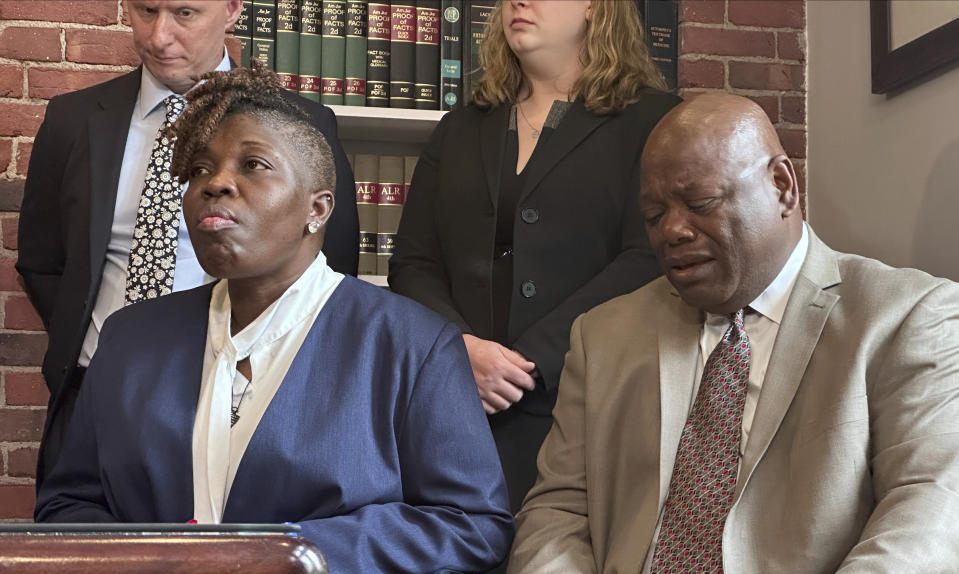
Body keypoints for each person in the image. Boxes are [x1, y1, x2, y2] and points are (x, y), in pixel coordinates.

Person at [35, 64, 513, 574]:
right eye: (198, 169)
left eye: (254, 165)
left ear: (319, 208)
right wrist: (162, 560)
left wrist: (285, 555)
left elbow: (472, 523)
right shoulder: (130, 338)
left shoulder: (413, 346)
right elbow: (67, 507)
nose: (216, 184)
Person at [507, 93, 959, 573]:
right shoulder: (601, 336)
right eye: (654, 216)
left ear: (783, 185)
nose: (672, 231)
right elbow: (556, 511)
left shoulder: (905, 316)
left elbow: (932, 503)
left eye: (700, 203)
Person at [16, 0, 359, 487]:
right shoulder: (73, 120)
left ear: (233, 9)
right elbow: (43, 260)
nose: (159, 36)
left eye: (185, 13)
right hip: (98, 391)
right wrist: (112, 342)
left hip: (244, 395)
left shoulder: (300, 122)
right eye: (146, 10)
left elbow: (331, 262)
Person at [388, 0, 680, 516]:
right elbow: (412, 264)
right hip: (456, 409)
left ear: (595, 7)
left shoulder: (654, 121)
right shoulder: (460, 127)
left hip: (587, 408)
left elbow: (647, 260)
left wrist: (529, 362)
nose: (516, 2)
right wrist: (459, 351)